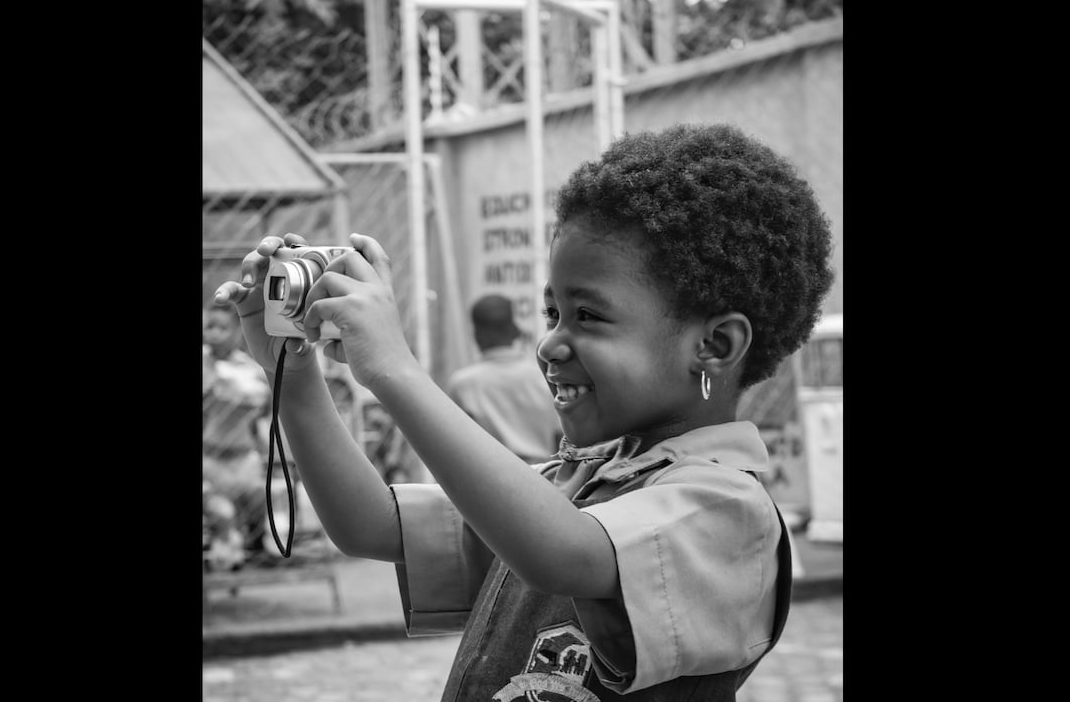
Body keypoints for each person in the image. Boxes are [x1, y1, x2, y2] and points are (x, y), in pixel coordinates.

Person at [212, 122, 834, 700]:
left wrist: (395, 369)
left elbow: (563, 553)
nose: (551, 343)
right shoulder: (577, 480)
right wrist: (293, 372)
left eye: (587, 315)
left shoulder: (730, 510)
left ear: (715, 346)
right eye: (552, 313)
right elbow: (369, 525)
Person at [445, 294, 563, 463]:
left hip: (487, 474)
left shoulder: (463, 385)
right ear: (515, 330)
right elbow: (561, 439)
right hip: (544, 473)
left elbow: (455, 447)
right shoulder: (545, 377)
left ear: (477, 335)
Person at [202, 304, 272, 561]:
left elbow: (264, 405)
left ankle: (256, 548)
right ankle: (224, 546)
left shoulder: (248, 368)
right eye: (210, 326)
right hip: (210, 460)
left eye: (223, 328)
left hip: (244, 458)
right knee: (222, 513)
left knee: (258, 498)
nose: (215, 333)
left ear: (237, 332)